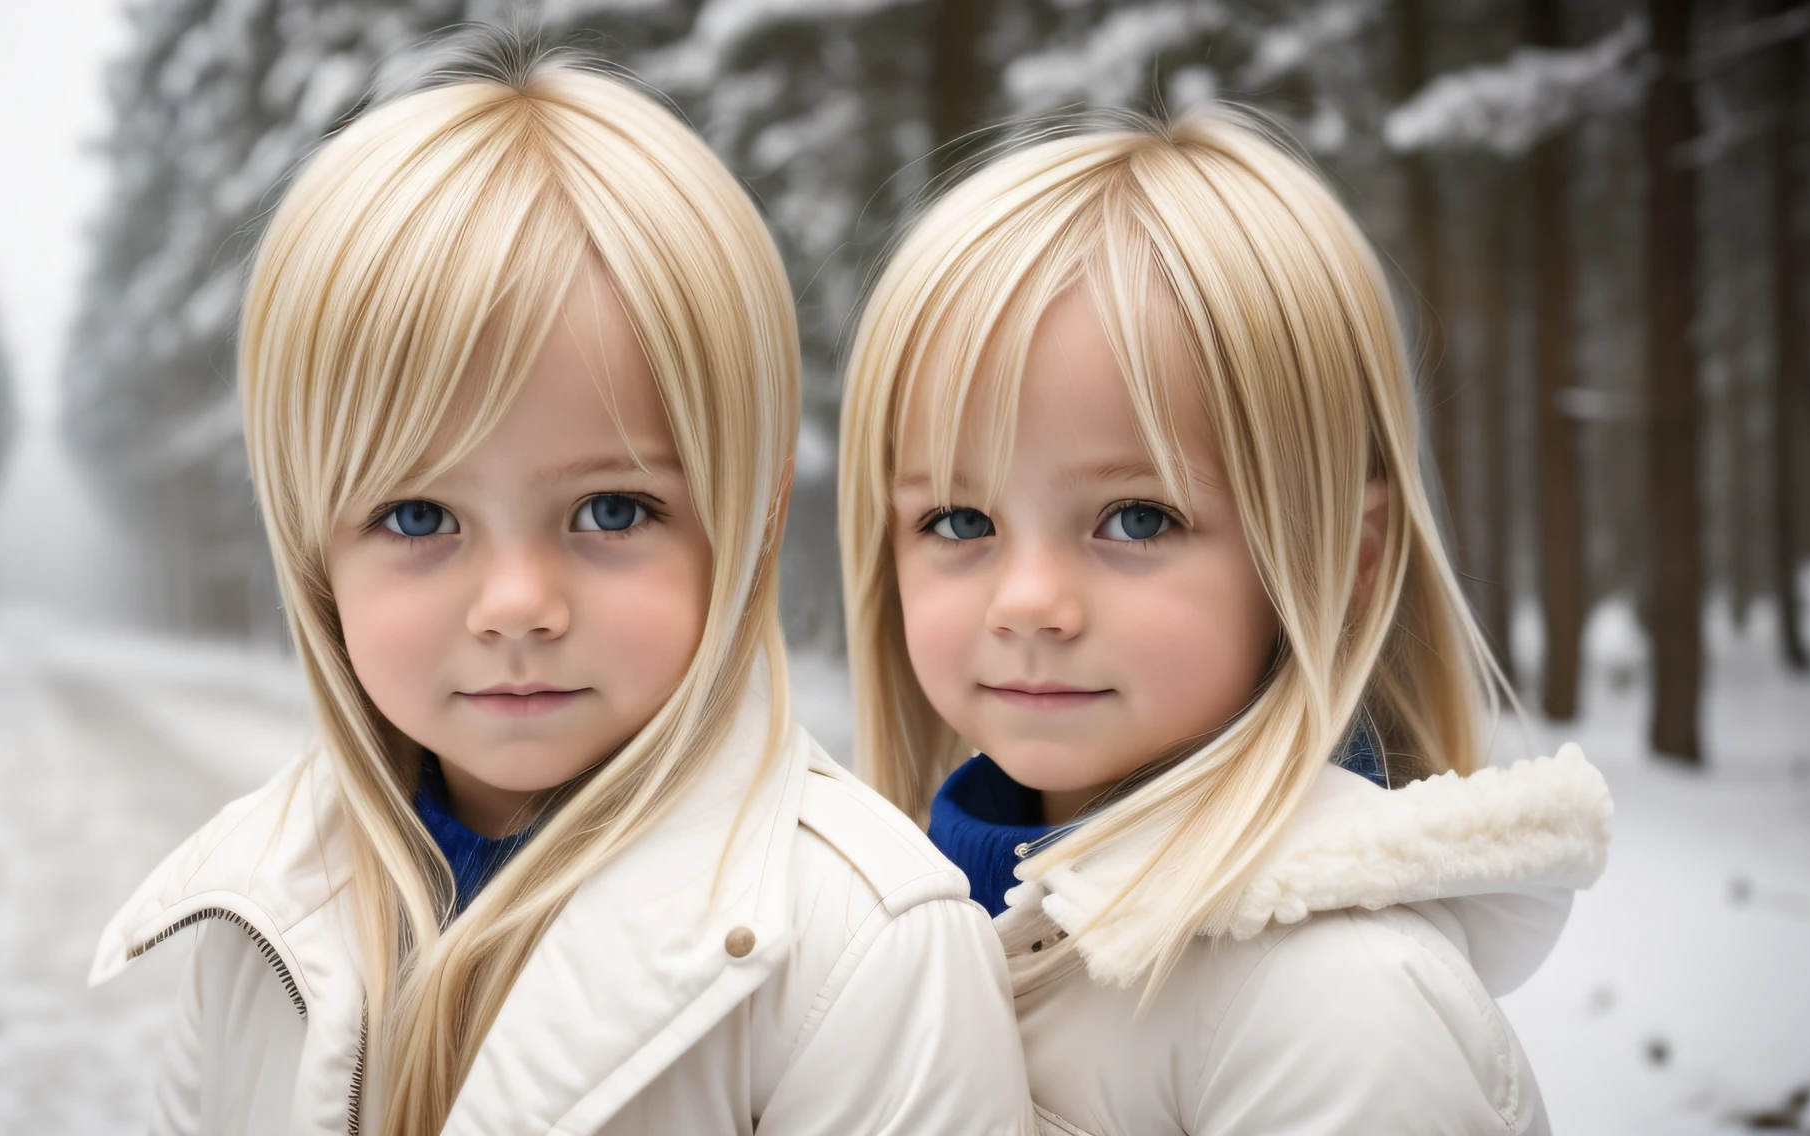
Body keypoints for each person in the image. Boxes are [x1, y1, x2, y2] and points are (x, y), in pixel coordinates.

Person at [92, 39, 1030, 1136]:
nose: (515, 604)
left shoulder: (864, 952)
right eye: (417, 516)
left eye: (610, 510)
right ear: (311, 542)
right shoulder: (261, 905)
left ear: (753, 513)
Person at [838, 107, 1613, 1135]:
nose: (1025, 599)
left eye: (1136, 517)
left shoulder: (1332, 1002)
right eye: (958, 518)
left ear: (1343, 557)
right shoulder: (884, 929)